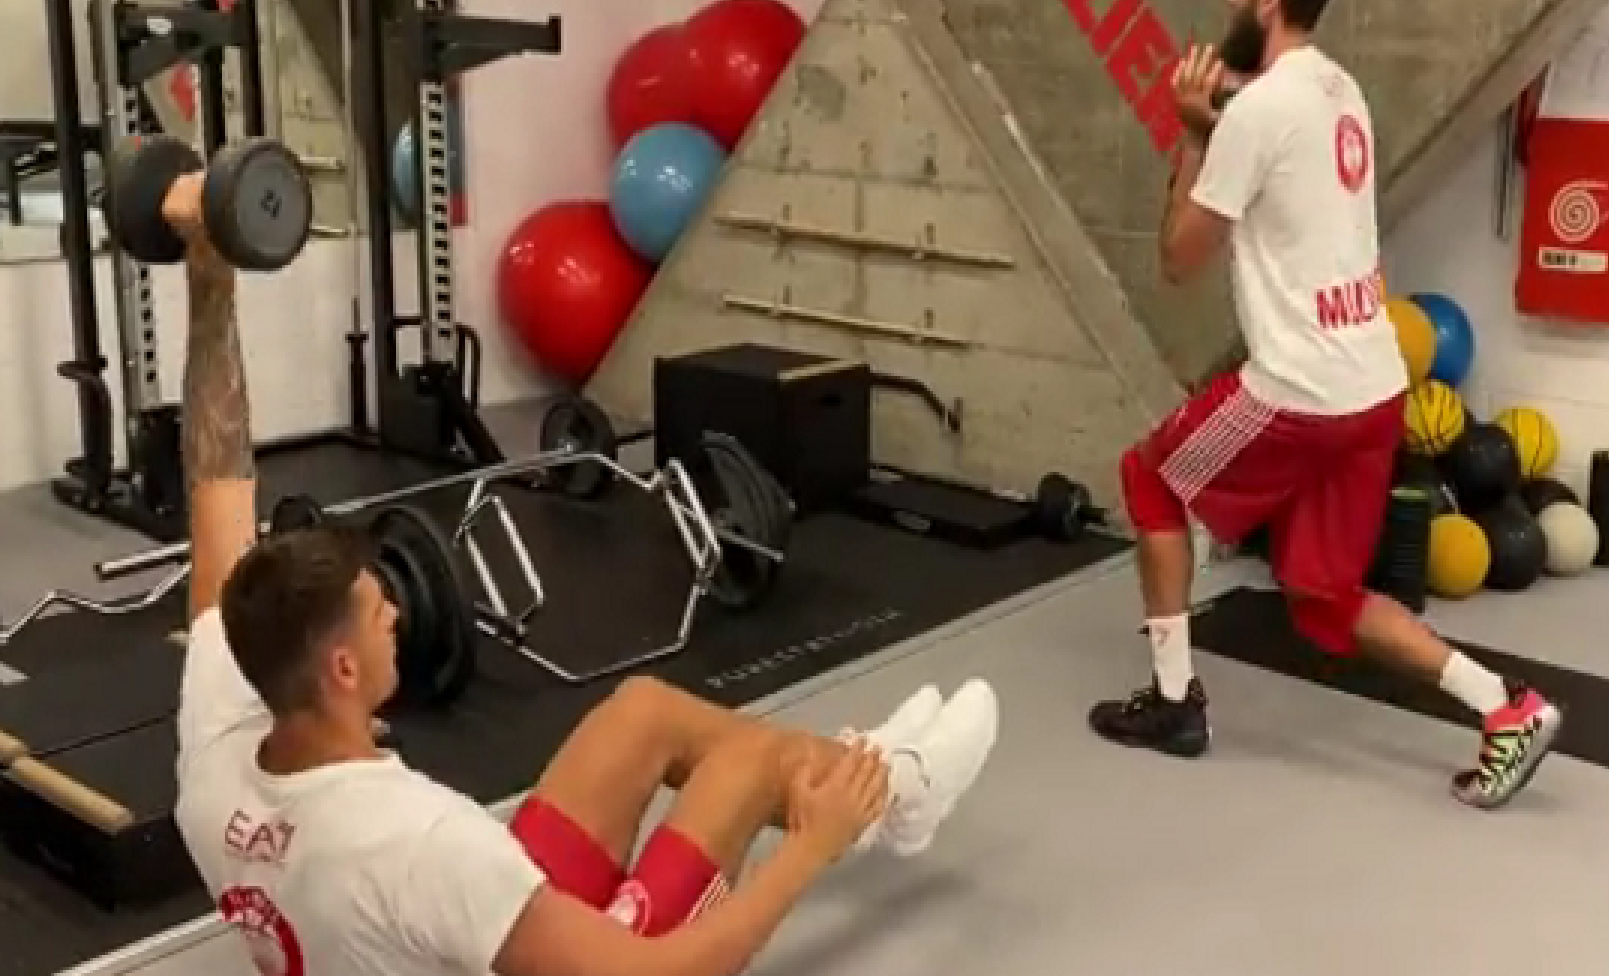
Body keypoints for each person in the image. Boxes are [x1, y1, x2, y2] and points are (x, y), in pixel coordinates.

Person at [164, 171, 1001, 976]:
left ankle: (889, 787)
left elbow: (217, 486)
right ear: (343, 670)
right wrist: (809, 851)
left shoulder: (220, 752)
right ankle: (890, 790)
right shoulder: (421, 840)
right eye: (380, 612)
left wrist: (210, 270)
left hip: (441, 931)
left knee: (643, 712)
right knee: (746, 768)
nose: (398, 616)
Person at [1086, 0, 1564, 810]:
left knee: (1149, 480)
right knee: (1321, 594)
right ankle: (1506, 706)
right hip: (1372, 385)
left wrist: (1192, 131)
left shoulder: (1258, 113)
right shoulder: (1341, 92)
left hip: (1298, 390)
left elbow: (1179, 261)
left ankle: (1176, 703)